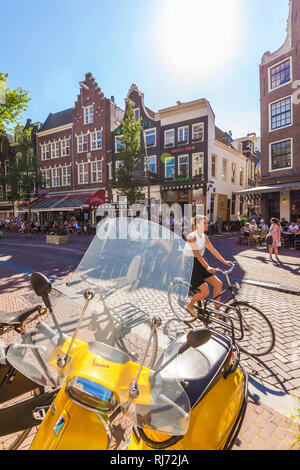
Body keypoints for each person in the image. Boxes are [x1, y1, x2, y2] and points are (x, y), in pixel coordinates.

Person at [184, 215, 233, 318]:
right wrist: (207, 267)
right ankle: (189, 305)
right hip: (191, 265)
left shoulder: (204, 237)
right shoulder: (191, 236)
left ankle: (216, 311)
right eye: (204, 223)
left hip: (201, 263)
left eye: (207, 223)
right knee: (205, 291)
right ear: (198, 224)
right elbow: (196, 254)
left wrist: (225, 261)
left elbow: (213, 250)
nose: (207, 225)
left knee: (219, 284)